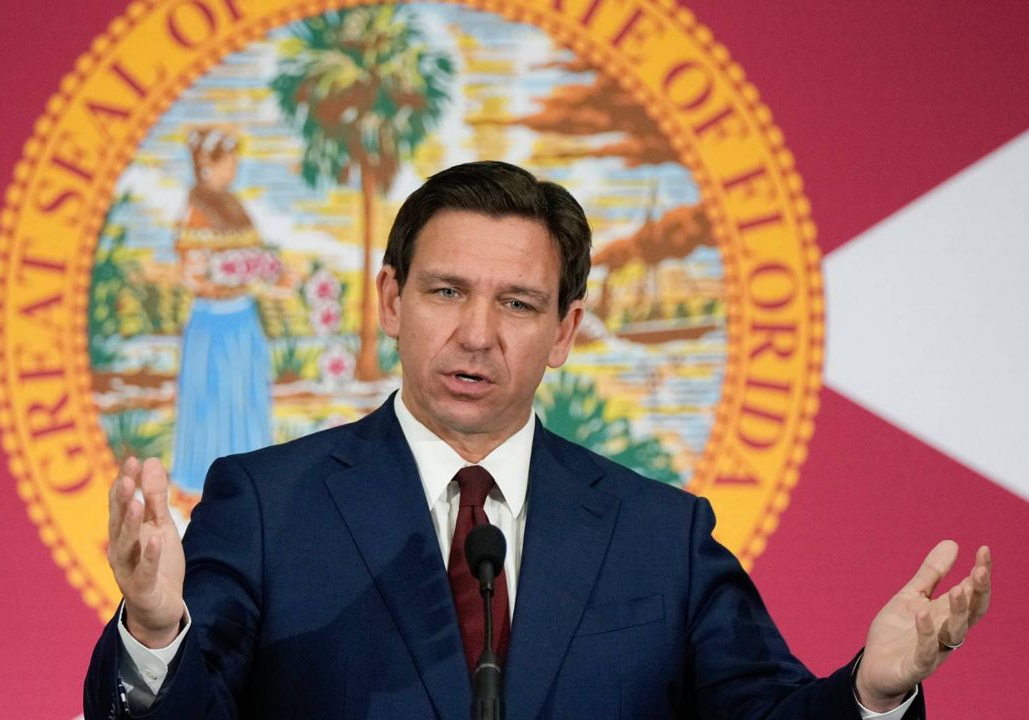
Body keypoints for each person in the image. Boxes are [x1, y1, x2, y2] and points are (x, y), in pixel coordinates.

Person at [86, 161, 992, 719]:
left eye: (517, 304)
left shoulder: (661, 537)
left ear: (564, 332)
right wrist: (156, 630)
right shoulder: (267, 505)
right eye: (447, 292)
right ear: (391, 301)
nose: (477, 334)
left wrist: (873, 693)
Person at [168, 126, 281, 513]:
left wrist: (263, 274)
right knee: (212, 403)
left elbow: (255, 256)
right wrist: (224, 279)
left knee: (244, 401)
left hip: (242, 320)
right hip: (213, 323)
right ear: (207, 164)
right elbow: (191, 272)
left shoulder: (234, 205)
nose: (234, 168)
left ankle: (251, 490)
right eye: (228, 161)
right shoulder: (195, 209)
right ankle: (199, 492)